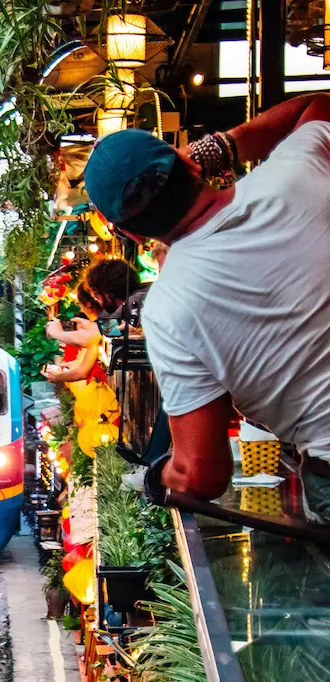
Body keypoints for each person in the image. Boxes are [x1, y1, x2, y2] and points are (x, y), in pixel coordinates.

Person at [83, 92, 330, 515]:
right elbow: (319, 106)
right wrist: (225, 145)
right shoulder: (298, 171)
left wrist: (155, 477)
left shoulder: (168, 310)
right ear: (194, 163)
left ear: (133, 236)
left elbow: (200, 474)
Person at [42, 283, 103, 385]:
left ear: (88, 304)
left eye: (79, 304)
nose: (80, 309)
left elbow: (82, 372)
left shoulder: (101, 327)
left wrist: (57, 377)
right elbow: (80, 363)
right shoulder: (102, 324)